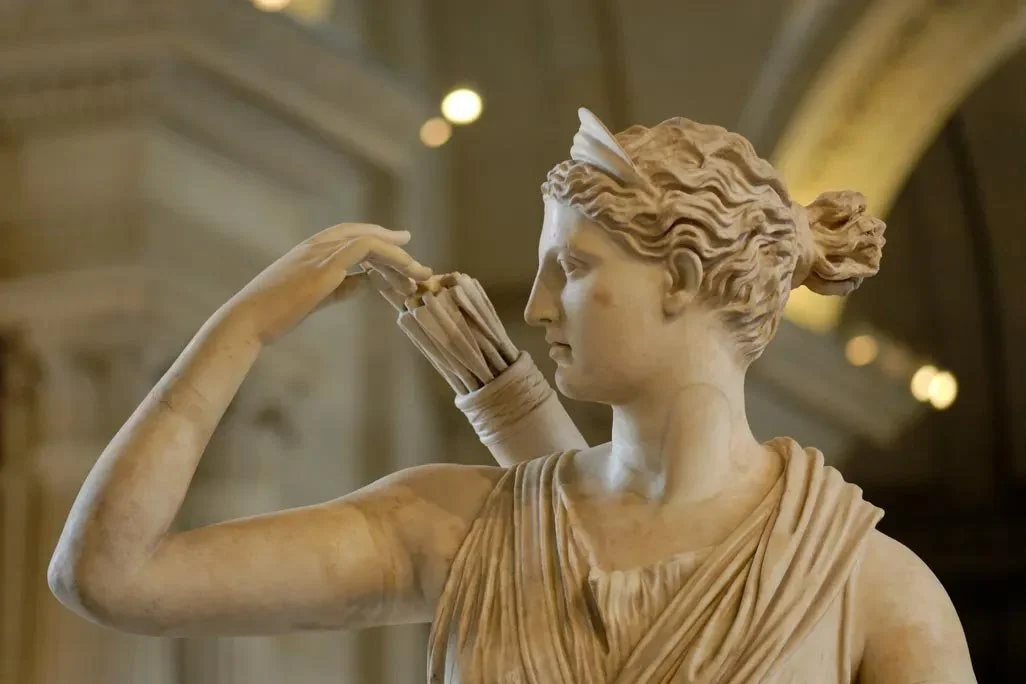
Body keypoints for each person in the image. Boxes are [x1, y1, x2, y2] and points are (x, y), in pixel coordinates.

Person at [49, 109, 976, 682]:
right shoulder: (452, 527)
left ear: (685, 277)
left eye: (571, 268)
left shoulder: (873, 590)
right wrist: (242, 327)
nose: (534, 307)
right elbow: (110, 577)